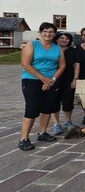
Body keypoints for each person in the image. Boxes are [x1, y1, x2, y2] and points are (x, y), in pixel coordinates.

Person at [19, 22, 65, 151]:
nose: (48, 34)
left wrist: (52, 80)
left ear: (54, 34)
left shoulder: (57, 48)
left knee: (47, 108)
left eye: (51, 32)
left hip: (50, 81)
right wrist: (43, 79)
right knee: (32, 109)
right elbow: (25, 64)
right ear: (40, 33)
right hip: (32, 80)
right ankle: (24, 139)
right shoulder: (32, 44)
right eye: (45, 31)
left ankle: (42, 132)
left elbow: (62, 66)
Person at [51, 31, 80, 135]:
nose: (64, 40)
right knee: (54, 101)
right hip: (54, 79)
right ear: (57, 39)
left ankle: (68, 121)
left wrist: (75, 79)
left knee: (68, 101)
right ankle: (56, 124)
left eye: (66, 38)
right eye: (61, 38)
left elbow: (76, 65)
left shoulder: (73, 51)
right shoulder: (52, 49)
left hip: (69, 79)